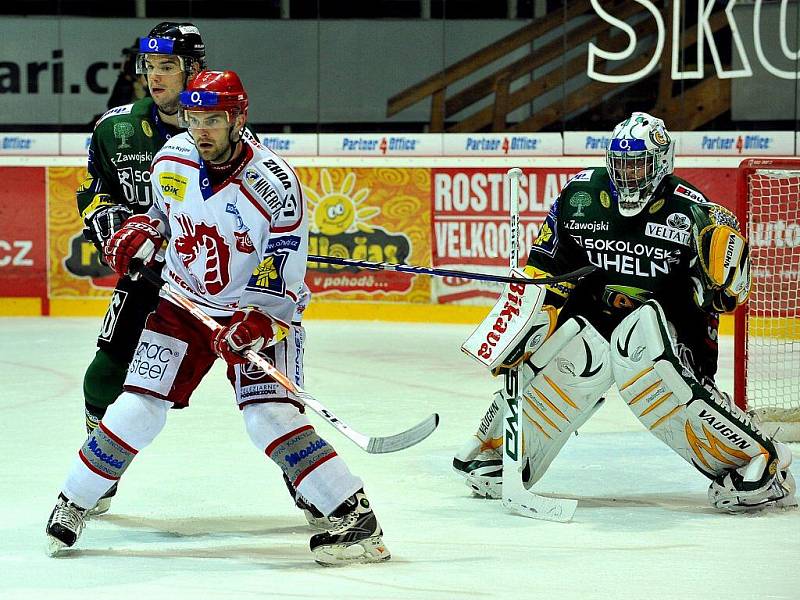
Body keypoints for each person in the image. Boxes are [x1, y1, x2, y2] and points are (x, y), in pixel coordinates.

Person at [46, 70, 391, 566]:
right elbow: (163, 222)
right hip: (182, 306)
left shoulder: (275, 187)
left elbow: (285, 284)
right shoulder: (172, 159)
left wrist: (255, 324)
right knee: (137, 405)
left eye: (213, 119)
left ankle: (356, 518)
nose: (201, 129)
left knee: (267, 417)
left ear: (238, 118)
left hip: (255, 313)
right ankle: (74, 500)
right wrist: (138, 234)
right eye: (193, 117)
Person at [454, 112, 796, 513]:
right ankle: (499, 451)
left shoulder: (692, 213)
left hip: (670, 329)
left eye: (639, 164)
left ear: (662, 162)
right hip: (595, 319)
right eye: (621, 164)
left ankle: (760, 462)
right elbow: (545, 274)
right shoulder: (579, 197)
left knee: (645, 351)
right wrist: (520, 329)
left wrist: (726, 274)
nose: (629, 175)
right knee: (572, 351)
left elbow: (724, 299)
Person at [77, 22, 208, 516]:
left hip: (215, 286)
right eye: (149, 67)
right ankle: (96, 470)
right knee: (102, 377)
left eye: (167, 67)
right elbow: (93, 190)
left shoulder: (219, 130)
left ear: (193, 70)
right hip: (147, 279)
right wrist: (105, 219)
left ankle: (306, 484)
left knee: (263, 398)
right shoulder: (117, 128)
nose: (155, 78)